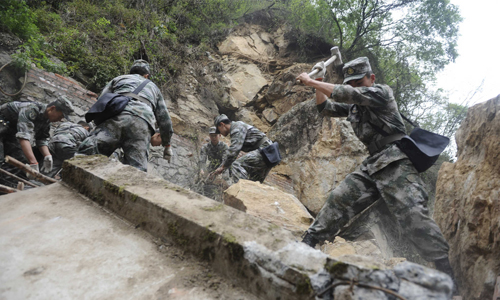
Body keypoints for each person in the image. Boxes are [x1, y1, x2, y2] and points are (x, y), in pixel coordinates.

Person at [296, 57, 456, 285]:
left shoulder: (382, 93)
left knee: (414, 217)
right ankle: (308, 243)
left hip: (396, 161)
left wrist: (312, 82)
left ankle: (446, 272)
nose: (355, 87)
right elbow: (325, 108)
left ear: (371, 78)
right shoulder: (354, 105)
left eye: (359, 82)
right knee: (339, 199)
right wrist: (319, 81)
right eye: (351, 83)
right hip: (373, 164)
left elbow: (346, 94)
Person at [77, 59, 174, 171]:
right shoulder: (154, 88)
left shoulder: (119, 79)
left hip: (117, 117)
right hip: (142, 122)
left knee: (88, 152)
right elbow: (165, 121)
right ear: (146, 76)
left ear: (131, 72)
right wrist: (167, 146)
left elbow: (102, 100)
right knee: (136, 169)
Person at [0, 96, 74, 174]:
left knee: (20, 160)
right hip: (2, 124)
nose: (61, 120)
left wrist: (47, 156)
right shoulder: (31, 109)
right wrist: (33, 162)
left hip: (11, 133)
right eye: (60, 116)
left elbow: (41, 139)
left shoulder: (46, 120)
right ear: (52, 108)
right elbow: (23, 137)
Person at [210, 114, 274, 183]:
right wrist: (220, 167)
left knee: (236, 165)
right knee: (254, 182)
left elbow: (233, 151)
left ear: (222, 125)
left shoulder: (236, 127)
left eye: (219, 131)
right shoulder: (237, 127)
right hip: (270, 153)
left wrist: (223, 167)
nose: (220, 133)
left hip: (265, 150)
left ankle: (240, 189)